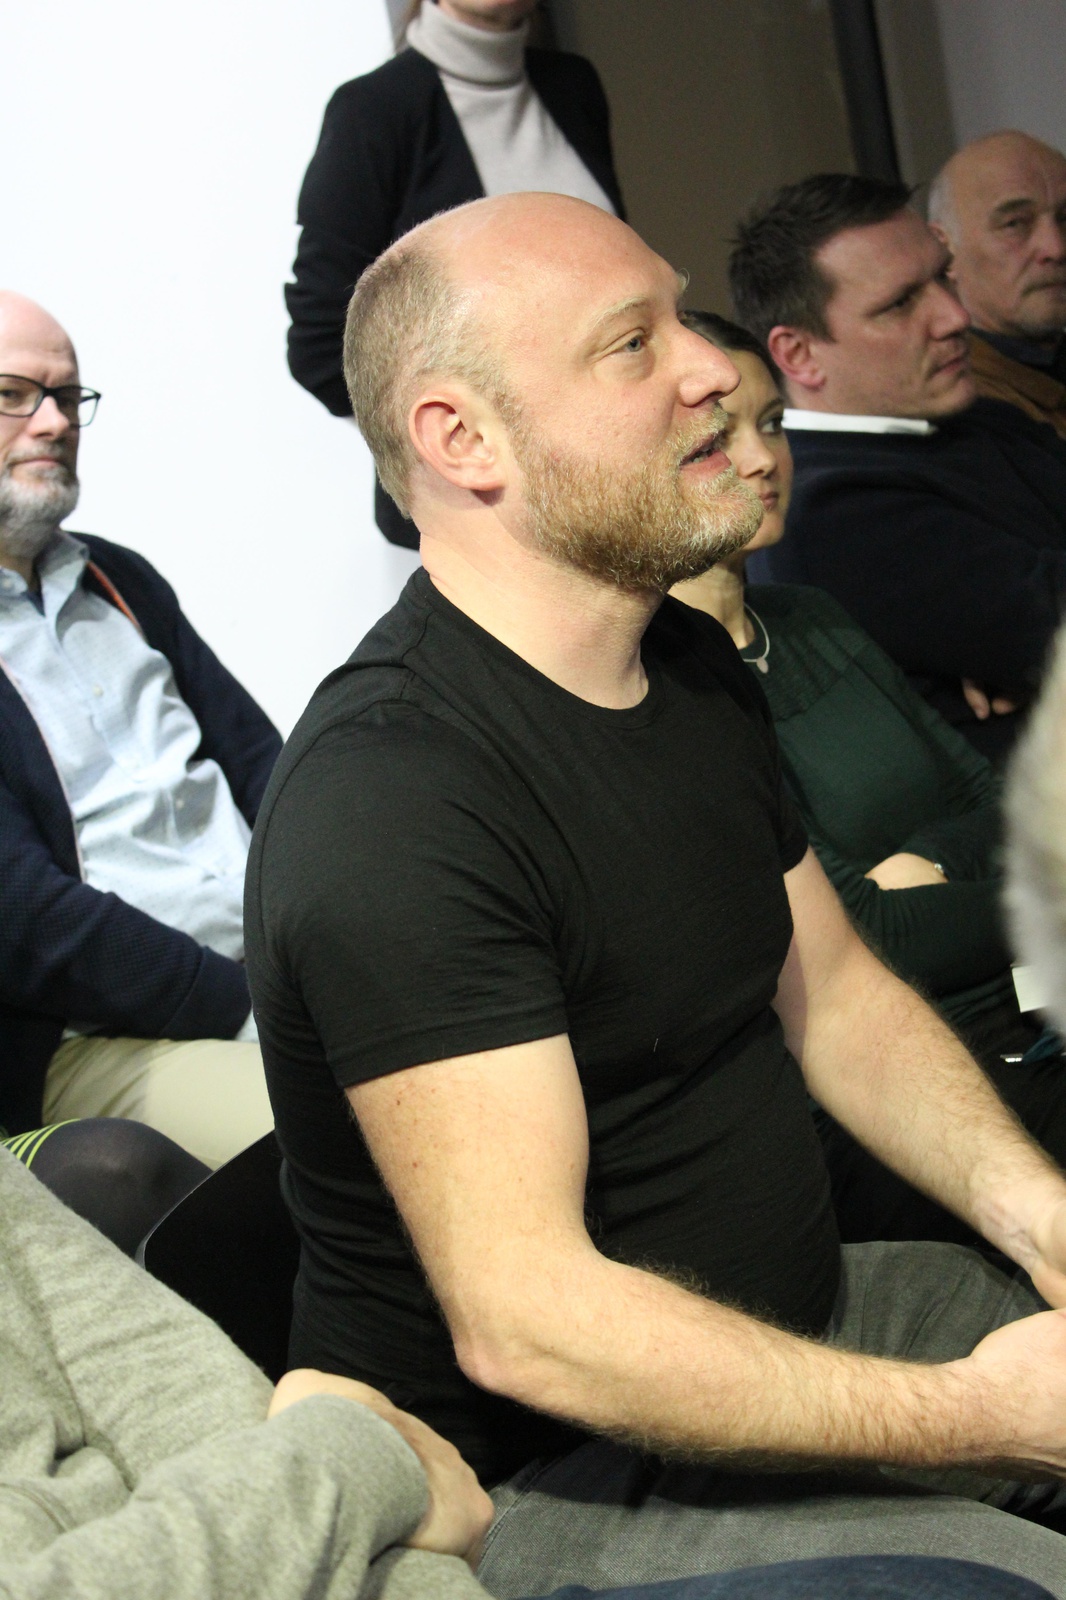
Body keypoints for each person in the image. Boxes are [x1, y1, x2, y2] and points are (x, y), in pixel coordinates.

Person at [247, 192, 1066, 1594]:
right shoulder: (394, 805)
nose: (707, 368)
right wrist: (975, 1413)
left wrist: (1041, 1217)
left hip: (804, 1319)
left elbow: (839, 999)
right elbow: (531, 1324)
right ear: (461, 438)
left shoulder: (682, 667)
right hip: (554, 1472)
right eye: (630, 344)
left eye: (679, 315)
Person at [2, 1145, 1046, 1600]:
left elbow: (148, 1371)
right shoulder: (390, 824)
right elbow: (518, 1337)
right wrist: (355, 1456)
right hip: (484, 1479)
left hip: (364, 1546)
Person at [669, 309, 1066, 1246]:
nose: (763, 459)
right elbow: (870, 941)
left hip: (1028, 1001)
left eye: (773, 424)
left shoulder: (813, 617)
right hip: (902, 1091)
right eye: (719, 440)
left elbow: (995, 804)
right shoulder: (668, 691)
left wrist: (931, 860)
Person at [0, 291, 278, 1167]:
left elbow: (268, 771)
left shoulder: (120, 580)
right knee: (370, 1125)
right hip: (95, 1038)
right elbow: (25, 917)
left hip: (274, 977)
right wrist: (246, 1008)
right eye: (13, 394)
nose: (53, 422)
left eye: (66, 395)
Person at [728, 173, 1066, 764]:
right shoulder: (828, 508)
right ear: (799, 354)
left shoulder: (974, 416)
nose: (954, 316)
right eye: (901, 303)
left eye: (943, 278)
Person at [285, 0, 623, 548]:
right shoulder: (372, 110)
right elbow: (320, 344)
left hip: (616, 476)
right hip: (482, 515)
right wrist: (459, 444)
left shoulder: (573, 85)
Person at [929, 132, 1066, 443]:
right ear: (944, 249)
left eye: (1065, 218)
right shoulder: (958, 408)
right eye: (1014, 224)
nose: (1056, 248)